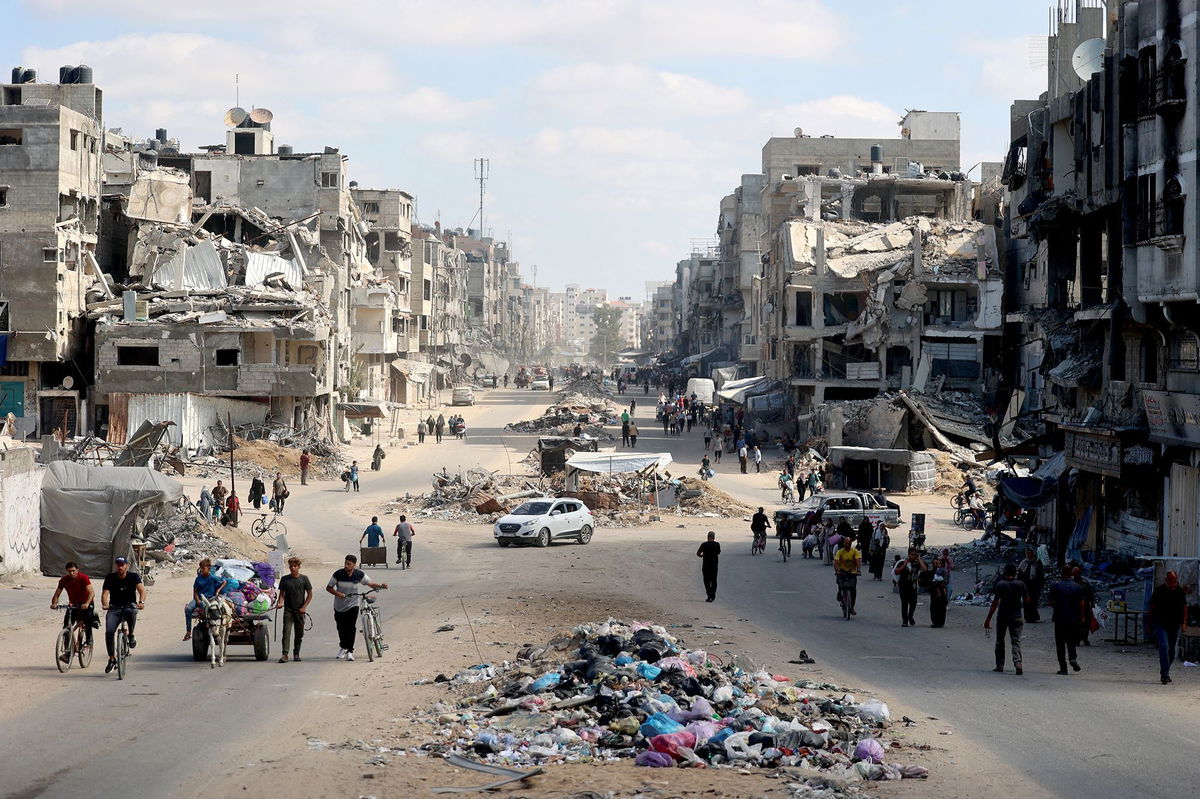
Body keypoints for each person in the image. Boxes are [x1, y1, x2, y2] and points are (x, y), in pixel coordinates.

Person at [325, 555, 388, 661]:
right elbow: (329, 588)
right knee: (341, 628)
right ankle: (343, 647)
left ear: (354, 565)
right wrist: (337, 593)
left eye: (349, 564)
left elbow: (370, 583)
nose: (346, 566)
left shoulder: (358, 574)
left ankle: (350, 651)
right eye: (345, 563)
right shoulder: (338, 574)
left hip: (353, 604)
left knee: (350, 627)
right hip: (339, 606)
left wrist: (381, 586)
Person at [101, 556, 146, 674]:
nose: (120, 567)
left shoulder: (133, 576)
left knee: (132, 612)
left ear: (126, 566)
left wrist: (141, 602)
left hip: (129, 606)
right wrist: (105, 604)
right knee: (109, 632)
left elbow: (142, 590)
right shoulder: (110, 577)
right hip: (114, 608)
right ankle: (111, 658)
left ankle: (131, 634)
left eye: (122, 565)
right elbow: (105, 593)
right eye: (118, 565)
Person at [984, 562, 1028, 674]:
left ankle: (1000, 665)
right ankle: (1018, 663)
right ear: (1015, 573)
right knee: (1016, 641)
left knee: (1000, 640)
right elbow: (1027, 600)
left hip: (1003, 616)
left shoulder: (1000, 584)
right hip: (1017, 616)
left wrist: (988, 619)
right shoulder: (1021, 584)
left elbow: (995, 603)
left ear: (1005, 572)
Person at [1148, 570, 1189, 684]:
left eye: (1174, 583)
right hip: (1161, 624)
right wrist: (1149, 624)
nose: (1173, 586)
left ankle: (1165, 670)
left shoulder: (1179, 591)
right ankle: (1165, 674)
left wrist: (1184, 623)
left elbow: (1184, 608)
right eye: (1171, 583)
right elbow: (1151, 608)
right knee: (1164, 646)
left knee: (1171, 651)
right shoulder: (1159, 591)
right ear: (1166, 580)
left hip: (1174, 624)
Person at [1047, 565, 1086, 675]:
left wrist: (1057, 606)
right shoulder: (1077, 587)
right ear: (1071, 574)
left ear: (1061, 573)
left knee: (1060, 643)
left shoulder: (1056, 586)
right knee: (1071, 641)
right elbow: (1082, 603)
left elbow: (1050, 602)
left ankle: (1063, 668)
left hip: (1059, 618)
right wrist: (1082, 616)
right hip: (1073, 619)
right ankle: (1072, 658)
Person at [51, 561, 96, 652]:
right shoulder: (64, 580)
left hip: (86, 604)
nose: (71, 573)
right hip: (73, 605)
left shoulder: (83, 578)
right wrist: (54, 604)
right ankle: (68, 652)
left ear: (77, 570)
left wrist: (87, 603)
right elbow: (57, 594)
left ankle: (89, 641)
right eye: (69, 571)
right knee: (66, 626)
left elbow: (91, 593)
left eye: (73, 571)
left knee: (87, 621)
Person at [276, 557, 313, 663]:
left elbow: (310, 594)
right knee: (286, 632)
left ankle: (296, 653)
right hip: (288, 610)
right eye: (291, 566)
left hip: (299, 611)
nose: (292, 568)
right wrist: (280, 603)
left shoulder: (304, 579)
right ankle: (285, 654)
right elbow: (282, 594)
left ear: (299, 567)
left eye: (295, 566)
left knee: (299, 633)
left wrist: (304, 607)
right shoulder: (284, 579)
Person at [183, 558, 227, 641]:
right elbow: (195, 591)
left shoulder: (213, 578)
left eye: (203, 568)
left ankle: (209, 624)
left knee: (207, 608)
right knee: (188, 609)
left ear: (208, 568)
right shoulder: (198, 579)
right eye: (201, 568)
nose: (202, 570)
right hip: (199, 598)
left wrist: (218, 590)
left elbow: (224, 582)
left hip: (209, 599)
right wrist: (197, 600)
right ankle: (188, 632)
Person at [894, 548, 927, 627]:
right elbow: (896, 571)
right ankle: (905, 620)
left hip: (913, 587)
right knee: (904, 604)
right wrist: (905, 564)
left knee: (913, 603)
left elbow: (925, 569)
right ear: (909, 555)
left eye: (915, 555)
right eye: (912, 555)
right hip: (903, 586)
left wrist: (919, 559)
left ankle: (910, 615)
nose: (914, 556)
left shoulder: (916, 563)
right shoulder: (902, 562)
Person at [833, 536, 861, 615]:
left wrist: (858, 570)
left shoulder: (854, 551)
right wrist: (837, 570)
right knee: (840, 585)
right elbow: (836, 561)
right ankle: (841, 598)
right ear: (844, 544)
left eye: (849, 543)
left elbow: (857, 560)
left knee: (853, 590)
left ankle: (851, 607)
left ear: (851, 544)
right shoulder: (840, 551)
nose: (847, 545)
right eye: (846, 543)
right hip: (842, 571)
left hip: (852, 572)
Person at [1016, 547, 1045, 622]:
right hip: (1025, 586)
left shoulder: (1037, 562)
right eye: (1027, 553)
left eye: (1030, 553)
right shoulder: (1023, 563)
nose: (1028, 554)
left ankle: (1033, 617)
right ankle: (1028, 617)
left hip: (1034, 586)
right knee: (1026, 602)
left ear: (1033, 553)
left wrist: (1040, 585)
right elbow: (1020, 575)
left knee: (1033, 601)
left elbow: (1041, 575)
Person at [1072, 567, 1096, 646]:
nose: (1076, 575)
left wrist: (1092, 604)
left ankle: (1085, 638)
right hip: (1075, 606)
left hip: (1085, 605)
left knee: (1086, 623)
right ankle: (1077, 639)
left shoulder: (1085, 582)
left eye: (1077, 573)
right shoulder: (1071, 583)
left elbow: (1090, 594)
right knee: (1076, 624)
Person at [696, 531, 721, 602]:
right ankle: (713, 596)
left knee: (706, 581)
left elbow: (698, 553)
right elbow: (718, 552)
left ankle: (709, 595)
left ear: (707, 537)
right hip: (714, 566)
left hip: (706, 566)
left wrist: (702, 555)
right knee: (714, 581)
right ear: (714, 537)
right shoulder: (717, 544)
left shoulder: (704, 544)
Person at [929, 556, 950, 628]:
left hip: (942, 592)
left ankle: (940, 623)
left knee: (941, 608)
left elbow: (946, 580)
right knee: (934, 608)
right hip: (934, 593)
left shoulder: (941, 571)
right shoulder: (932, 572)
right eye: (934, 563)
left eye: (937, 563)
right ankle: (935, 622)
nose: (936, 564)